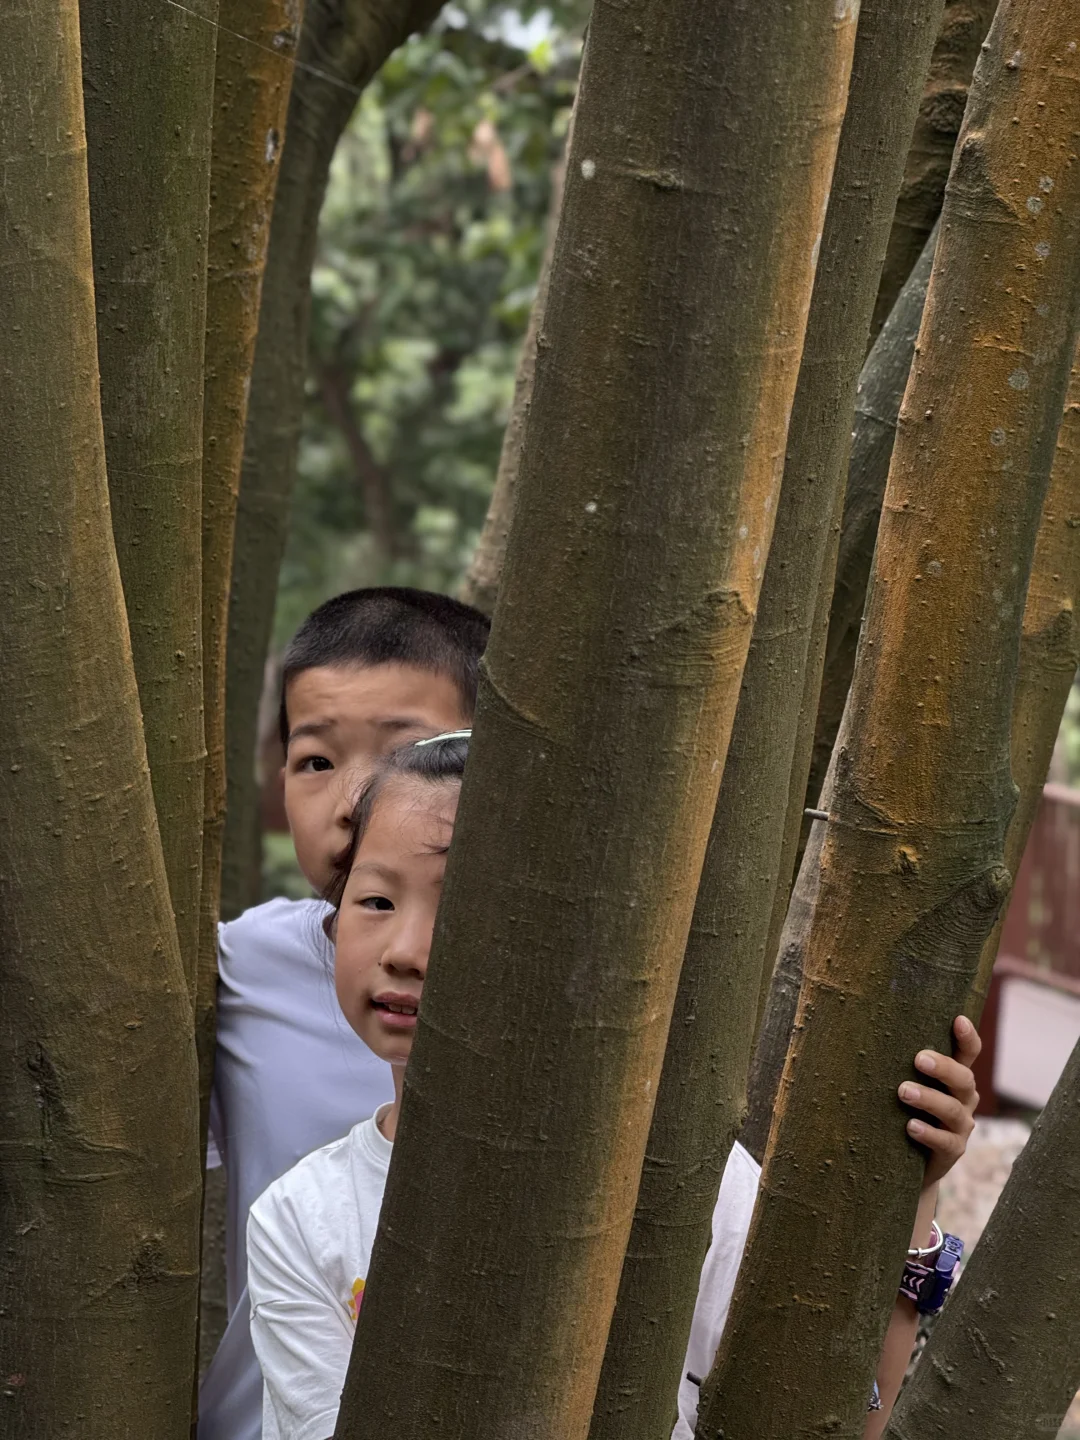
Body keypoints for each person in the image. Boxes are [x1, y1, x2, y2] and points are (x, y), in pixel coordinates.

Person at [246, 732, 982, 1440]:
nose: (404, 951)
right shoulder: (303, 1222)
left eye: (465, 903)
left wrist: (909, 1194)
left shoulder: (686, 1176)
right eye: (376, 902)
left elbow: (837, 1416)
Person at [198, 590, 490, 1440]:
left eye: (409, 753)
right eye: (315, 760)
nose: (355, 797)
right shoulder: (238, 969)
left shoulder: (570, 1003)